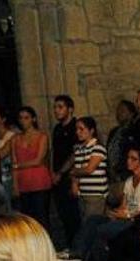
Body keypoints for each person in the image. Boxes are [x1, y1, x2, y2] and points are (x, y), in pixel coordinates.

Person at [76, 144, 140, 261]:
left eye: (134, 159)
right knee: (93, 219)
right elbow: (123, 205)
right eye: (128, 158)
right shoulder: (129, 181)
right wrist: (115, 213)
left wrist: (126, 215)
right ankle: (79, 256)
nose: (129, 161)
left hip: (134, 220)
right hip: (124, 216)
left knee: (102, 230)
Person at [11, 106, 52, 231]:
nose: (23, 121)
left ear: (33, 119)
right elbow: (14, 162)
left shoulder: (42, 136)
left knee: (42, 217)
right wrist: (15, 185)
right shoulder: (15, 139)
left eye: (26, 118)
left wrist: (18, 166)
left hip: (40, 182)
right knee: (28, 220)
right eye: (21, 118)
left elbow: (38, 160)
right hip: (24, 183)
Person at [50, 95, 81, 247]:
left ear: (70, 109)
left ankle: (78, 248)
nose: (56, 110)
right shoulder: (57, 129)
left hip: (70, 177)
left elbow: (75, 154)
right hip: (58, 178)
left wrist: (61, 173)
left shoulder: (76, 127)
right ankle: (70, 245)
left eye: (60, 107)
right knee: (63, 215)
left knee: (74, 215)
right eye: (55, 107)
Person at [70, 117, 109, 219]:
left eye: (81, 129)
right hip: (82, 193)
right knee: (85, 223)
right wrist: (74, 183)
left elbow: (89, 169)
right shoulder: (79, 149)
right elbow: (77, 169)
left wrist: (74, 172)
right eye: (77, 129)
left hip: (95, 194)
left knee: (91, 226)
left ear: (91, 130)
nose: (78, 132)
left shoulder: (98, 148)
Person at [106, 100, 137, 181]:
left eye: (122, 111)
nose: (119, 113)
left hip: (125, 173)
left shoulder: (134, 131)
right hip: (111, 173)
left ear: (131, 114)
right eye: (118, 111)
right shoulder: (114, 131)